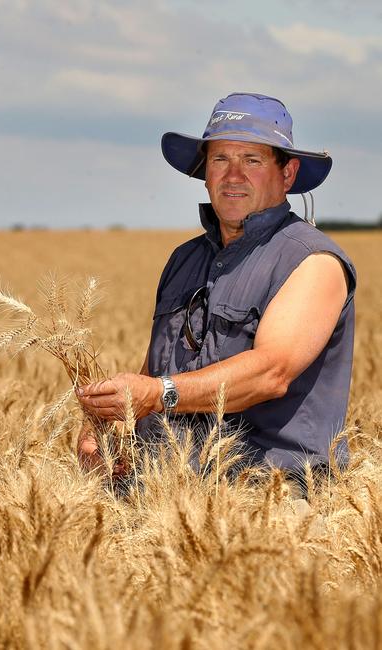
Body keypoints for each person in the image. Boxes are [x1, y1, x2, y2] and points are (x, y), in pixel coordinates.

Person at [77, 92, 356, 481]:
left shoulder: (313, 262)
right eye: (220, 159)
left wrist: (156, 395)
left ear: (288, 174)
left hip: (269, 491)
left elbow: (270, 373)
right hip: (163, 484)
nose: (233, 175)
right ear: (205, 171)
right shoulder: (184, 260)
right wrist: (108, 424)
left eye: (252, 160)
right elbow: (155, 371)